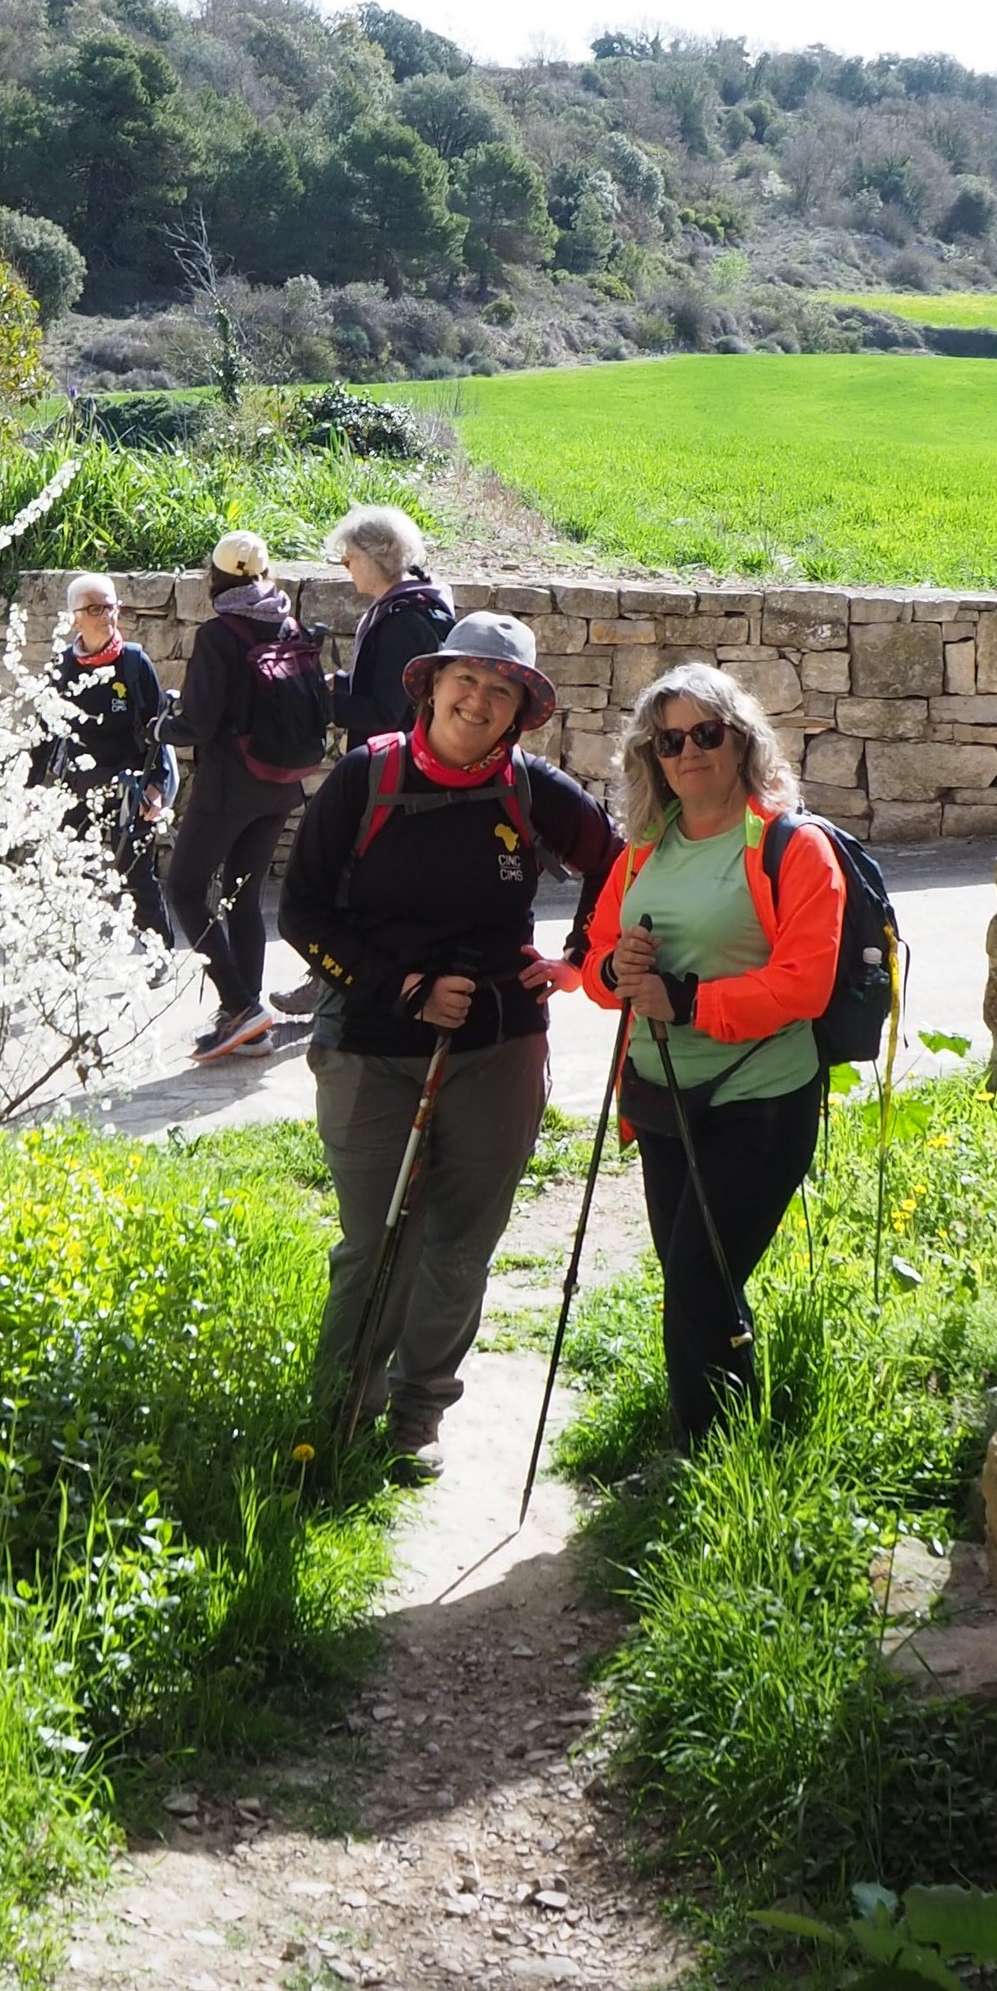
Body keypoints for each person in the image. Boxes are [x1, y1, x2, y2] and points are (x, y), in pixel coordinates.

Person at [281, 612, 620, 1471]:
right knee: (376, 1242)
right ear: (431, 685)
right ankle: (339, 1415)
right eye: (465, 678)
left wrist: (580, 960)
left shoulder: (533, 790)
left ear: (520, 712)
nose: (479, 699)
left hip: (499, 1047)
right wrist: (404, 988)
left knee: (463, 1240)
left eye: (502, 690)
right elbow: (302, 915)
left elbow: (617, 863)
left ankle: (418, 1415)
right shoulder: (365, 777)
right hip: (369, 1042)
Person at [578, 663, 843, 1443]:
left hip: (760, 1104)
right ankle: (716, 1443)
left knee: (698, 1278)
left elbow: (805, 985)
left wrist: (688, 1002)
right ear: (652, 757)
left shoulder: (792, 847)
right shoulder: (642, 851)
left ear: (741, 742)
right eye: (670, 741)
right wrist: (616, 970)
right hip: (663, 1101)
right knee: (692, 1279)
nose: (689, 751)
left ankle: (707, 1452)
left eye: (706, 733)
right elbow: (596, 961)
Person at [164, 530, 331, 1061]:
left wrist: (160, 728)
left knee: (184, 889)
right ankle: (251, 1025)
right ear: (265, 574)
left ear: (214, 577)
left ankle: (239, 1005)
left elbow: (196, 723)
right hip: (280, 785)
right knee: (243, 897)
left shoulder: (219, 635)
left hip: (228, 788)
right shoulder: (289, 624)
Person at [31, 573, 173, 943]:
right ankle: (71, 950)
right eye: (95, 609)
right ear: (74, 619)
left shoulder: (134, 663)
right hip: (78, 788)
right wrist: (29, 792)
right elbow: (42, 736)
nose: (107, 615)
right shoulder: (61, 670)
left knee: (137, 876)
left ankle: (159, 954)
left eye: (111, 606)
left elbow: (158, 729)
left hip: (131, 789)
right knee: (70, 871)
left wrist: (157, 787)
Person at [327, 504, 455, 750]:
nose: (346, 567)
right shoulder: (417, 601)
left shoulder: (401, 624)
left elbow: (384, 714)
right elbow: (389, 682)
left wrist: (321, 703)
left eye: (348, 559)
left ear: (371, 559)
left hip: (395, 762)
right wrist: (339, 683)